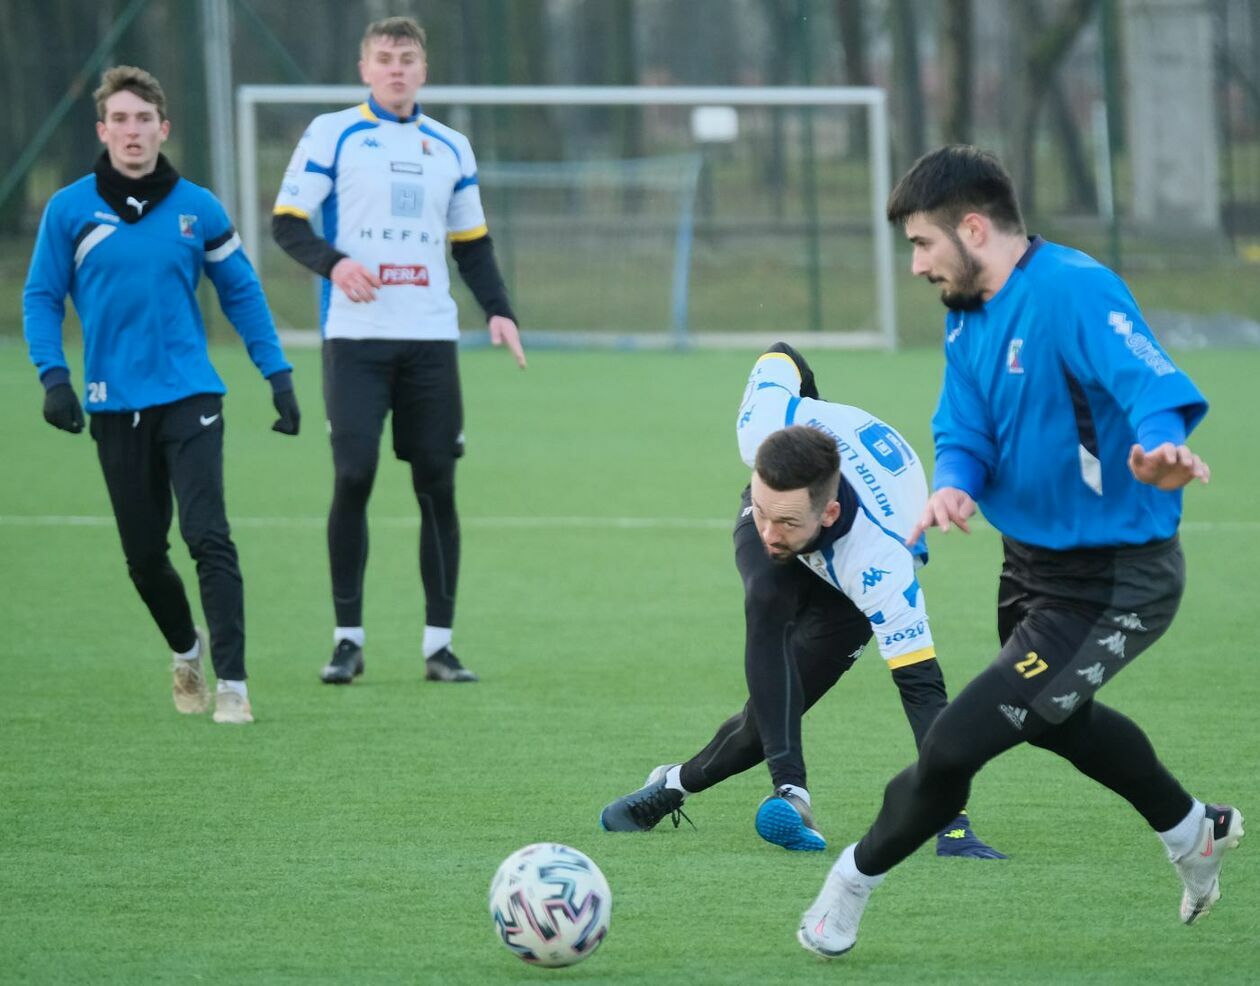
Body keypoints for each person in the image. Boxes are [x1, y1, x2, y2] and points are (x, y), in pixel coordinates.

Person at [798, 145, 1243, 958]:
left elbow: (1151, 385)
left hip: (1115, 582)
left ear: (974, 227)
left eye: (922, 244)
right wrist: (955, 483)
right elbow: (962, 424)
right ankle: (1192, 830)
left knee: (954, 744)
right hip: (1030, 565)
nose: (916, 265)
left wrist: (1158, 449)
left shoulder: (1073, 290)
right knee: (1054, 721)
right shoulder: (968, 313)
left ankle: (847, 888)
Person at [599, 344, 1003, 859]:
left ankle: (674, 784)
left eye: (784, 523)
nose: (768, 534)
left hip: (848, 581)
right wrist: (796, 457)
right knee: (765, 593)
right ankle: (793, 792)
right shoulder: (764, 432)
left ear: (829, 513)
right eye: (763, 515)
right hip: (792, 487)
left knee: (760, 722)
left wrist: (951, 818)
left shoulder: (881, 565)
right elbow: (783, 355)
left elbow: (922, 691)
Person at [23, 66, 300, 726]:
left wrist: (277, 373)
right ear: (103, 130)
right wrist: (53, 377)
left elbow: (241, 292)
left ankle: (233, 683)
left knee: (209, 536)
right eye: (119, 119)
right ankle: (187, 650)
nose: (132, 131)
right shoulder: (69, 209)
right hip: (113, 402)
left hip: (190, 393)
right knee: (145, 556)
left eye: (143, 119)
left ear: (162, 127)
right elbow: (41, 297)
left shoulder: (197, 207)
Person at [271, 15, 525, 687]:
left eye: (407, 58)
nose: (395, 69)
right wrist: (335, 266)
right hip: (355, 340)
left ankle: (440, 645)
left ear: (423, 70)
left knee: (436, 485)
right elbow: (287, 224)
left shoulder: (451, 147)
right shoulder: (333, 133)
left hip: (430, 341)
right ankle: (346, 639)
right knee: (353, 474)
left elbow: (471, 243)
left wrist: (499, 310)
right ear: (365, 68)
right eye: (384, 58)